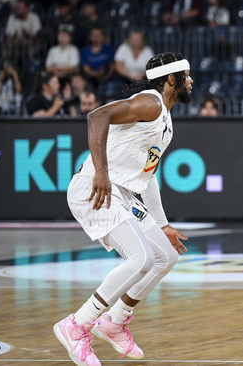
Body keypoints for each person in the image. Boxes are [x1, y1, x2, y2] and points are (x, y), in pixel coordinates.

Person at [53, 52, 193, 366]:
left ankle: (114, 321)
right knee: (141, 257)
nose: (191, 80)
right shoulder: (151, 102)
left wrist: (163, 223)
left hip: (125, 192)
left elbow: (149, 176)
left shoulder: (165, 120)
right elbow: (97, 117)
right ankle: (77, 325)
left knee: (165, 256)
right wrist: (101, 172)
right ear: (172, 79)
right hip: (95, 186)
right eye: (187, 75)